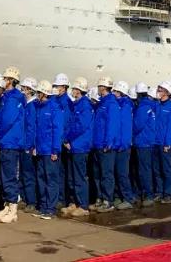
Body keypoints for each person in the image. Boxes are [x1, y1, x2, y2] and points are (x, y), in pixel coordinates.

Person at [0, 66, 24, 224]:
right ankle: (7, 205)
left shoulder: (12, 99)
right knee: (4, 176)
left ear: (11, 81)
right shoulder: (9, 97)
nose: (3, 80)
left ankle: (13, 209)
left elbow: (6, 120)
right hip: (8, 141)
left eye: (6, 79)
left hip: (10, 142)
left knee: (9, 176)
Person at [61, 76, 93, 218]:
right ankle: (74, 202)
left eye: (74, 88)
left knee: (79, 177)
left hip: (80, 145)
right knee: (71, 177)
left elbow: (80, 126)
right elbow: (71, 123)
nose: (72, 91)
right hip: (73, 145)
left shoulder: (85, 105)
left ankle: (83, 205)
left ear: (79, 90)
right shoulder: (76, 105)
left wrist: (67, 138)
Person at [33, 79, 64, 220]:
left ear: (44, 93)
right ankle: (43, 206)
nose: (37, 94)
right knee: (41, 178)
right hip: (41, 149)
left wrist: (55, 150)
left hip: (50, 150)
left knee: (51, 179)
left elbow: (57, 130)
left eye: (39, 92)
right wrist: (35, 146)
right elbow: (37, 129)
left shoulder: (54, 108)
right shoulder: (40, 107)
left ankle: (50, 208)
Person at [91, 76, 119, 212]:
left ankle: (108, 201)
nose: (98, 88)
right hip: (97, 143)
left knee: (106, 174)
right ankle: (100, 198)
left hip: (105, 145)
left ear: (103, 87)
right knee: (97, 174)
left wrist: (109, 142)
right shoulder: (101, 103)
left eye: (99, 86)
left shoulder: (111, 103)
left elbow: (112, 124)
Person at [153, 81, 171, 204]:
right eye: (158, 89)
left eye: (161, 89)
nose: (158, 91)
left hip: (165, 144)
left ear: (167, 93)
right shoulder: (157, 105)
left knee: (166, 169)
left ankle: (168, 194)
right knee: (157, 169)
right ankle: (159, 192)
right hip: (155, 142)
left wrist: (167, 143)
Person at [132, 82, 157, 206]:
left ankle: (147, 194)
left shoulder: (143, 107)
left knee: (144, 170)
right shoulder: (151, 105)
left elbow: (137, 125)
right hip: (149, 140)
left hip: (143, 142)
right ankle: (148, 192)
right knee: (147, 168)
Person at [112, 81, 136, 210]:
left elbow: (125, 128)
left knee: (122, 173)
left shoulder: (125, 106)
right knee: (117, 172)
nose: (113, 93)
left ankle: (128, 198)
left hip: (123, 145)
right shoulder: (119, 105)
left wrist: (123, 144)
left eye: (115, 91)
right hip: (117, 144)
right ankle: (118, 196)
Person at [18, 77, 39, 215]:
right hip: (22, 143)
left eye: (24, 89)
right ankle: (24, 198)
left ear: (30, 90)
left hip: (27, 145)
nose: (22, 91)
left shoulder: (32, 106)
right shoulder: (26, 104)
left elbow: (31, 128)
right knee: (22, 174)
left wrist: (29, 145)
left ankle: (31, 201)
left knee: (28, 174)